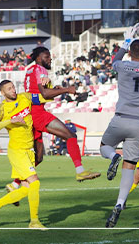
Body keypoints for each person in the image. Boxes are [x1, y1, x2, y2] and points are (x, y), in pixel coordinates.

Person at [100, 26, 139, 228]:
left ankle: (113, 156)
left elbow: (113, 61)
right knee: (130, 167)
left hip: (121, 118)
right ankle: (119, 203)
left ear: (129, 51)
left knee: (104, 147)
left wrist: (125, 42)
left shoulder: (122, 66)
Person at [23, 46, 100, 182]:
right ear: (38, 58)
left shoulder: (30, 70)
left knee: (38, 158)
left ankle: (16, 183)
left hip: (30, 112)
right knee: (70, 136)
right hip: (38, 113)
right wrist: (66, 90)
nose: (50, 59)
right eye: (47, 57)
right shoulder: (40, 70)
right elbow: (45, 94)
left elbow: (37, 93)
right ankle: (80, 171)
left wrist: (55, 89)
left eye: (50, 57)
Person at [0, 80, 47, 230]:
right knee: (35, 183)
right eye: (9, 89)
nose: (13, 90)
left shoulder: (24, 97)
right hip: (17, 151)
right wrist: (10, 121)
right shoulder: (1, 109)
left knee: (26, 189)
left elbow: (44, 98)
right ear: (2, 93)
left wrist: (47, 86)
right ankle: (34, 221)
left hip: (28, 150)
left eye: (13, 87)